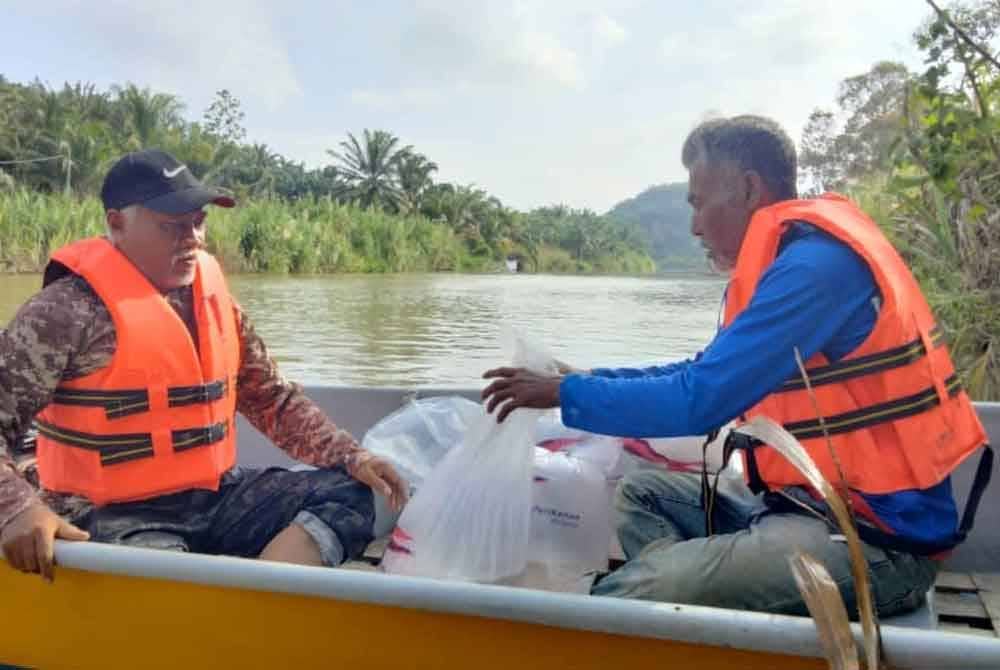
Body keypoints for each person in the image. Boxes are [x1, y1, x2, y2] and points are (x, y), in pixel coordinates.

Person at [481, 115, 992, 617]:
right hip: (800, 506)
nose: (694, 224)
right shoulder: (786, 263)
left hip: (876, 541)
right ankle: (704, 592)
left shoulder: (815, 270)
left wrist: (562, 395)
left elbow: (698, 401)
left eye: (699, 202)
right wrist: (582, 382)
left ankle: (666, 590)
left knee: (649, 586)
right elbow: (699, 370)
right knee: (642, 493)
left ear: (749, 189)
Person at [0, 149, 407, 580]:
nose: (193, 237)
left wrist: (350, 455)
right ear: (117, 224)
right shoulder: (64, 312)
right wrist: (17, 508)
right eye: (172, 226)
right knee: (166, 573)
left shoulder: (215, 301)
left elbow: (272, 400)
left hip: (214, 496)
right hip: (112, 515)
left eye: (198, 222)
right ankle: (213, 606)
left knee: (367, 493)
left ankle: (262, 600)